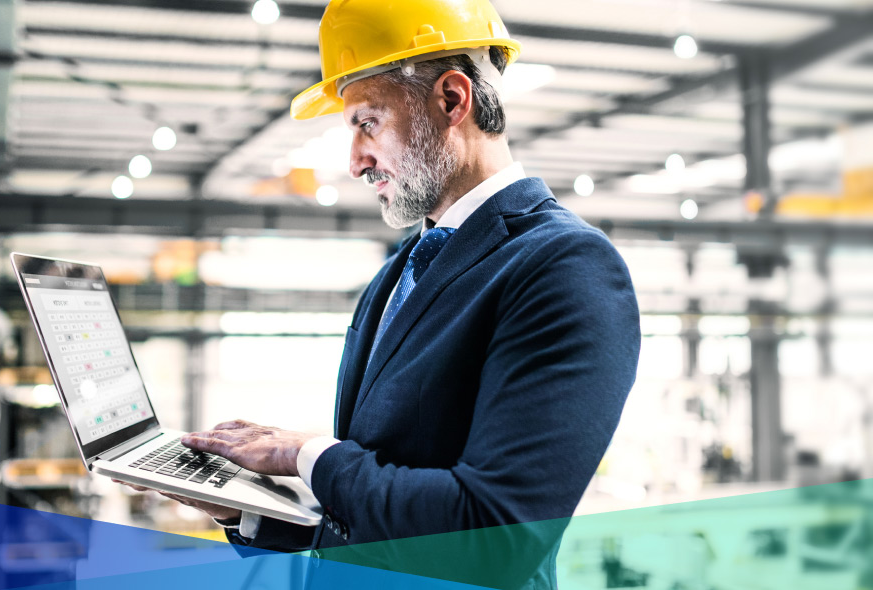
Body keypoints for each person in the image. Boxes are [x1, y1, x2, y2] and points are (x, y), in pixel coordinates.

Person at [118, 0, 640, 586]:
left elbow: (494, 537)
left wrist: (307, 456)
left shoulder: (565, 267)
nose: (355, 161)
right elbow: (383, 521)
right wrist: (251, 511)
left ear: (451, 99)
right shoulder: (401, 270)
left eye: (367, 122)